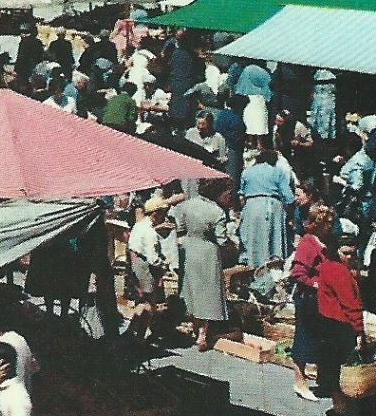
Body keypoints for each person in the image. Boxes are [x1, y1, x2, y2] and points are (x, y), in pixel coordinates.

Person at [281, 203, 334, 403]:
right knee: (304, 337)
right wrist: (317, 284)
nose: (330, 226)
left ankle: (320, 378)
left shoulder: (322, 242)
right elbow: (297, 273)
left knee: (317, 337)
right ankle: (299, 381)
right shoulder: (308, 244)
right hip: (308, 299)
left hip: (320, 301)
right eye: (326, 223)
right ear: (316, 223)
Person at [178, 179, 234, 351]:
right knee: (207, 292)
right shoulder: (216, 212)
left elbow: (180, 227)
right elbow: (221, 239)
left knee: (192, 289)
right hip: (208, 252)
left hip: (189, 248)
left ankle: (195, 327)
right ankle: (202, 333)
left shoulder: (186, 205)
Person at [316, 241, 368, 416]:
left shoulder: (326, 266)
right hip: (340, 325)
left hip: (326, 322)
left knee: (331, 365)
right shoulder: (339, 272)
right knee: (342, 365)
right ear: (335, 251)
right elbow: (351, 305)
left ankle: (339, 403)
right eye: (346, 253)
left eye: (353, 253)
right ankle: (343, 404)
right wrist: (360, 332)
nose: (350, 257)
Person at [126, 197, 172, 341]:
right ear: (155, 214)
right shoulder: (149, 232)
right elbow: (152, 258)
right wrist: (164, 264)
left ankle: (131, 331)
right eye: (163, 214)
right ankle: (139, 337)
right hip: (144, 267)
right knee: (148, 303)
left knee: (142, 301)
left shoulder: (139, 225)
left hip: (134, 265)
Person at [238, 148, 293, 269]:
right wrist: (290, 213)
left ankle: (253, 267)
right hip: (273, 205)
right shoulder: (277, 172)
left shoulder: (247, 172)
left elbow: (241, 196)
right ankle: (275, 269)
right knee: (275, 240)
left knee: (252, 239)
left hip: (252, 205)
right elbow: (288, 196)